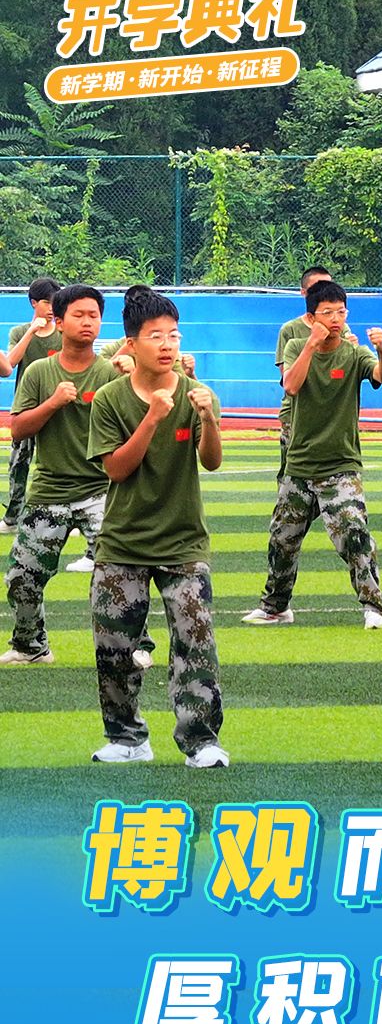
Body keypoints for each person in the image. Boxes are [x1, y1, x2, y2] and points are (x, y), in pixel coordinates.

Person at [87, 287, 227, 766]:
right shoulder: (110, 399)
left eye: (173, 335)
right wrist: (151, 418)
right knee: (114, 647)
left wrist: (208, 419)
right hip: (123, 541)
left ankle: (201, 741)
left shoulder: (197, 394)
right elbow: (116, 469)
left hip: (183, 541)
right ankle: (127, 738)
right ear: (131, 343)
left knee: (195, 642)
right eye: (155, 336)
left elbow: (211, 461)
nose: (167, 344)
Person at [242, 280, 382, 629]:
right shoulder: (297, 345)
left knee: (353, 532)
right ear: (311, 318)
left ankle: (373, 607)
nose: (336, 319)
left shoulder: (355, 353)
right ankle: (276, 606)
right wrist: (311, 344)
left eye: (341, 312)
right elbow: (291, 385)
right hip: (299, 464)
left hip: (341, 464)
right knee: (283, 538)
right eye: (328, 313)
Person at [1, 285, 117, 666]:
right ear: (60, 321)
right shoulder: (40, 372)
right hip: (49, 490)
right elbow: (18, 429)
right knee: (22, 576)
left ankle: (133, 647)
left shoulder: (109, 375)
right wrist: (52, 402)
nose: (87, 322)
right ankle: (30, 645)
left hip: (101, 491)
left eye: (94, 315)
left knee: (122, 575)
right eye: (78, 315)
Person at [273, 266, 353, 485]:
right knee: (291, 477)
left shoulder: (341, 327)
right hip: (296, 414)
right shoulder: (290, 330)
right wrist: (312, 344)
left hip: (332, 413)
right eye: (317, 287)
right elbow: (288, 380)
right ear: (304, 293)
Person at [0, 277, 63, 537]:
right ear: (34, 303)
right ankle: (13, 517)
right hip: (26, 409)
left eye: (55, 302)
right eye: (47, 302)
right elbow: (8, 365)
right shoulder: (19, 332)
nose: (51, 308)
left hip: (57, 411)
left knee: (59, 465)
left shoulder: (62, 334)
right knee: (19, 464)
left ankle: (60, 517)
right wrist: (31, 332)